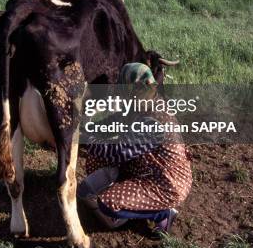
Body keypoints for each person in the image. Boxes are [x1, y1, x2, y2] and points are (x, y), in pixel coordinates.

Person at [77, 63, 192, 235]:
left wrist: (86, 140)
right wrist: (88, 128)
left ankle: (162, 214)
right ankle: (130, 198)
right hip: (146, 167)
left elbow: (117, 152)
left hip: (166, 182)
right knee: (95, 159)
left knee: (108, 204)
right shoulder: (141, 102)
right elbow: (115, 121)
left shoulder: (154, 121)